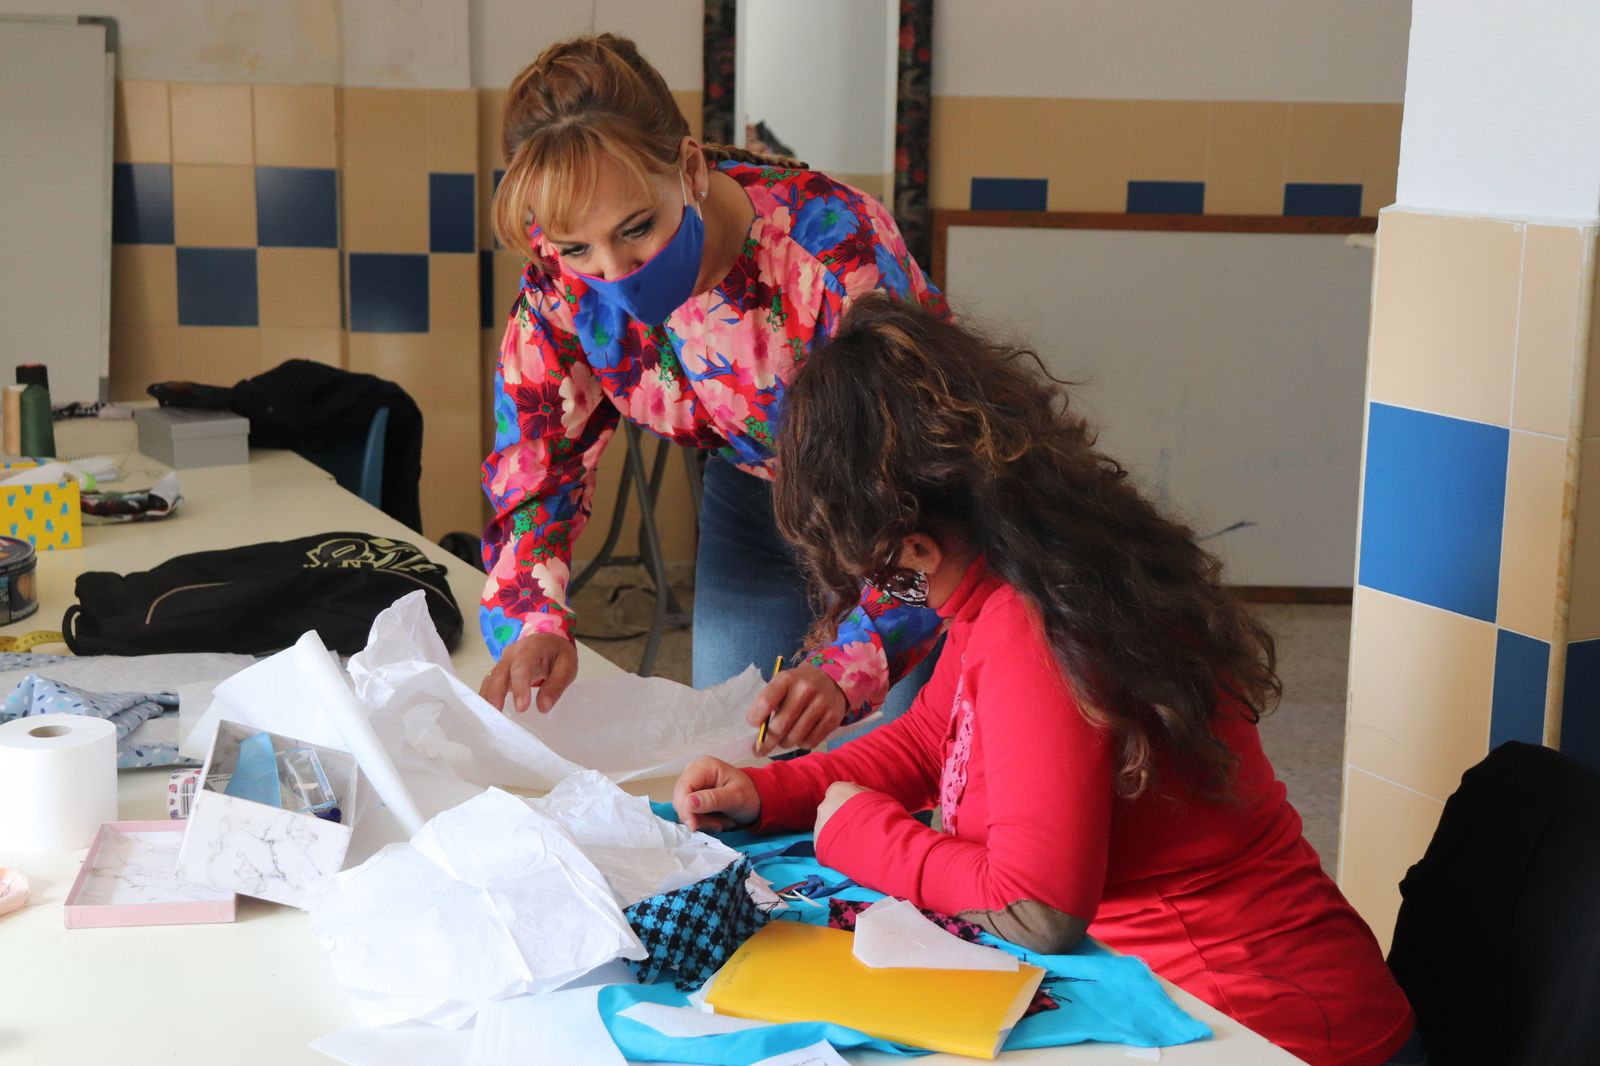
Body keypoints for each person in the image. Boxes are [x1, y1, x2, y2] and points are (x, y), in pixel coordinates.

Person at [673, 297, 1419, 1066]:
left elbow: (1033, 907)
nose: (881, 596)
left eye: (877, 575)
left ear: (919, 550)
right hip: (1217, 1004)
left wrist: (861, 833)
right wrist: (777, 791)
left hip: (1265, 1033)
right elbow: (935, 738)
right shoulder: (1019, 567)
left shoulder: (1033, 625)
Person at [477, 33, 947, 748]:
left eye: (637, 228)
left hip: (901, 521)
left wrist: (849, 667)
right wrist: (536, 620)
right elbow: (540, 470)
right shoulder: (559, 283)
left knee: (891, 764)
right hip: (754, 506)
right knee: (733, 753)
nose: (613, 270)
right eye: (579, 247)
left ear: (690, 169)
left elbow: (935, 498)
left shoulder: (834, 255)